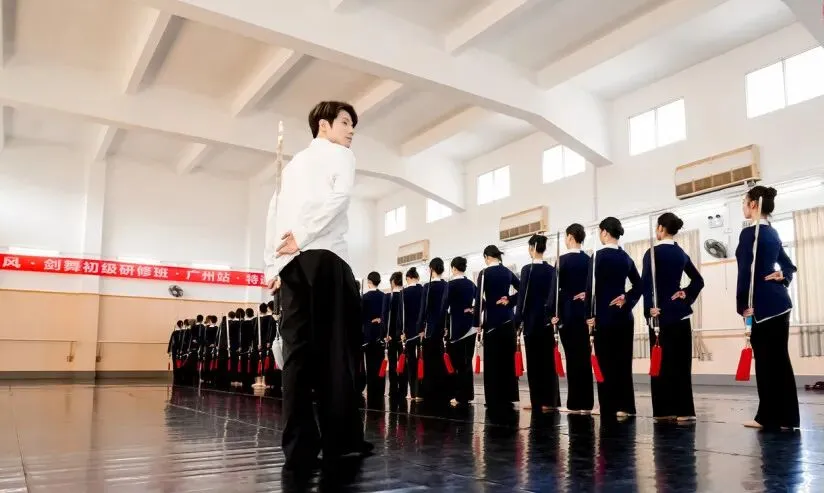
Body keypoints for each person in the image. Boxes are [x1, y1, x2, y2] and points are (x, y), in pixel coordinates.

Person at [263, 100, 372, 469]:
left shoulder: (292, 166)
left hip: (291, 265)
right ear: (323, 125)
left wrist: (272, 266)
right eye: (345, 122)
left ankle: (298, 447)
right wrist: (304, 235)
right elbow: (340, 198)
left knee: (296, 356)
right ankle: (341, 442)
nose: (351, 131)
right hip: (326, 256)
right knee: (336, 351)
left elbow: (273, 214)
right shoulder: (341, 155)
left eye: (353, 125)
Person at [736, 186, 799, 431]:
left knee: (765, 363)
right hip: (782, 305)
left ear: (753, 204)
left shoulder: (748, 234)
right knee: (780, 361)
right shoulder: (772, 232)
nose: (743, 206)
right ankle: (788, 419)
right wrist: (783, 276)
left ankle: (766, 417)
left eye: (745, 201)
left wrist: (742, 305)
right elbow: (789, 266)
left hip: (762, 308)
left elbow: (744, 273)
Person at [642, 213, 705, 422]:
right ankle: (685, 411)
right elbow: (698, 281)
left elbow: (646, 285)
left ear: (660, 228)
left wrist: (649, 310)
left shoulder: (651, 253)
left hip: (660, 317)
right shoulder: (680, 253)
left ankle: (664, 410)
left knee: (661, 365)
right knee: (682, 365)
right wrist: (685, 294)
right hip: (681, 315)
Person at [586, 217, 642, 419]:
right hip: (625, 317)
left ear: (604, 232)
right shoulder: (626, 257)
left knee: (605, 364)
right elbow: (639, 285)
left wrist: (588, 316)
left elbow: (589, 289)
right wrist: (626, 298)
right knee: (623, 363)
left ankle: (608, 406)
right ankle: (625, 406)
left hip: (603, 317)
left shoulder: (597, 257)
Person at [517, 234, 561, 412]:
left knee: (534, 364)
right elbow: (555, 296)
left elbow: (522, 298)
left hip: (531, 322)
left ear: (531, 248)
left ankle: (537, 401)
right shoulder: (551, 270)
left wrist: (517, 321)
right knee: (549, 363)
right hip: (548, 322)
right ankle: (550, 401)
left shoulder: (527, 270)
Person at [553, 224, 594, 414]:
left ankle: (575, 403)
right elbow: (594, 287)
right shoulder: (589, 260)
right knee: (584, 358)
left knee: (572, 358)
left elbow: (554, 291)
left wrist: (553, 312)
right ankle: (587, 403)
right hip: (586, 317)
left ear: (570, 237)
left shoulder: (562, 261)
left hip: (568, 315)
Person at [473, 245, 520, 409]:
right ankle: (509, 396)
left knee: (492, 362)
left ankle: (494, 398)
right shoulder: (507, 272)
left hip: (492, 323)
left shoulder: (484, 273)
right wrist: (510, 300)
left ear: (487, 257)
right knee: (507, 360)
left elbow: (479, 300)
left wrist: (477, 323)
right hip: (508, 321)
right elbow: (522, 289)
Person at [417, 257, 449, 404]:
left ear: (431, 269)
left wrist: (420, 328)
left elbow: (422, 309)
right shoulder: (446, 285)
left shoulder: (427, 287)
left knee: (429, 362)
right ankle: (442, 391)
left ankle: (428, 391)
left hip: (429, 329)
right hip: (443, 328)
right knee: (441, 361)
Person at [445, 257, 477, 407]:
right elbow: (481, 302)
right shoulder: (471, 284)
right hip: (470, 328)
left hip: (456, 328)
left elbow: (444, 306)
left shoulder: (450, 285)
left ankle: (459, 396)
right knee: (467, 362)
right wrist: (472, 310)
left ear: (453, 268)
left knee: (457, 364)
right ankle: (468, 395)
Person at [362, 272, 387, 403]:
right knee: (380, 363)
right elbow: (386, 315)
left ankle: (371, 390)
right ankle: (381, 390)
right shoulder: (384, 296)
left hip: (368, 335)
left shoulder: (364, 297)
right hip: (380, 334)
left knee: (370, 364)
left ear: (369, 282)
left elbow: (361, 317)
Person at [401, 267, 423, 401]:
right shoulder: (423, 290)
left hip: (409, 332)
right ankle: (421, 391)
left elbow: (402, 315)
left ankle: (413, 393)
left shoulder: (404, 293)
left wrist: (402, 331)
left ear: (408, 278)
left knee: (411, 363)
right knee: (422, 361)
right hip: (422, 332)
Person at [384, 272, 405, 400]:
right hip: (403, 336)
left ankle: (393, 390)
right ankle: (403, 390)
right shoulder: (404, 295)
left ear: (392, 282)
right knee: (403, 363)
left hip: (391, 336)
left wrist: (385, 334)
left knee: (392, 363)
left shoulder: (388, 297)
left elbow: (385, 317)